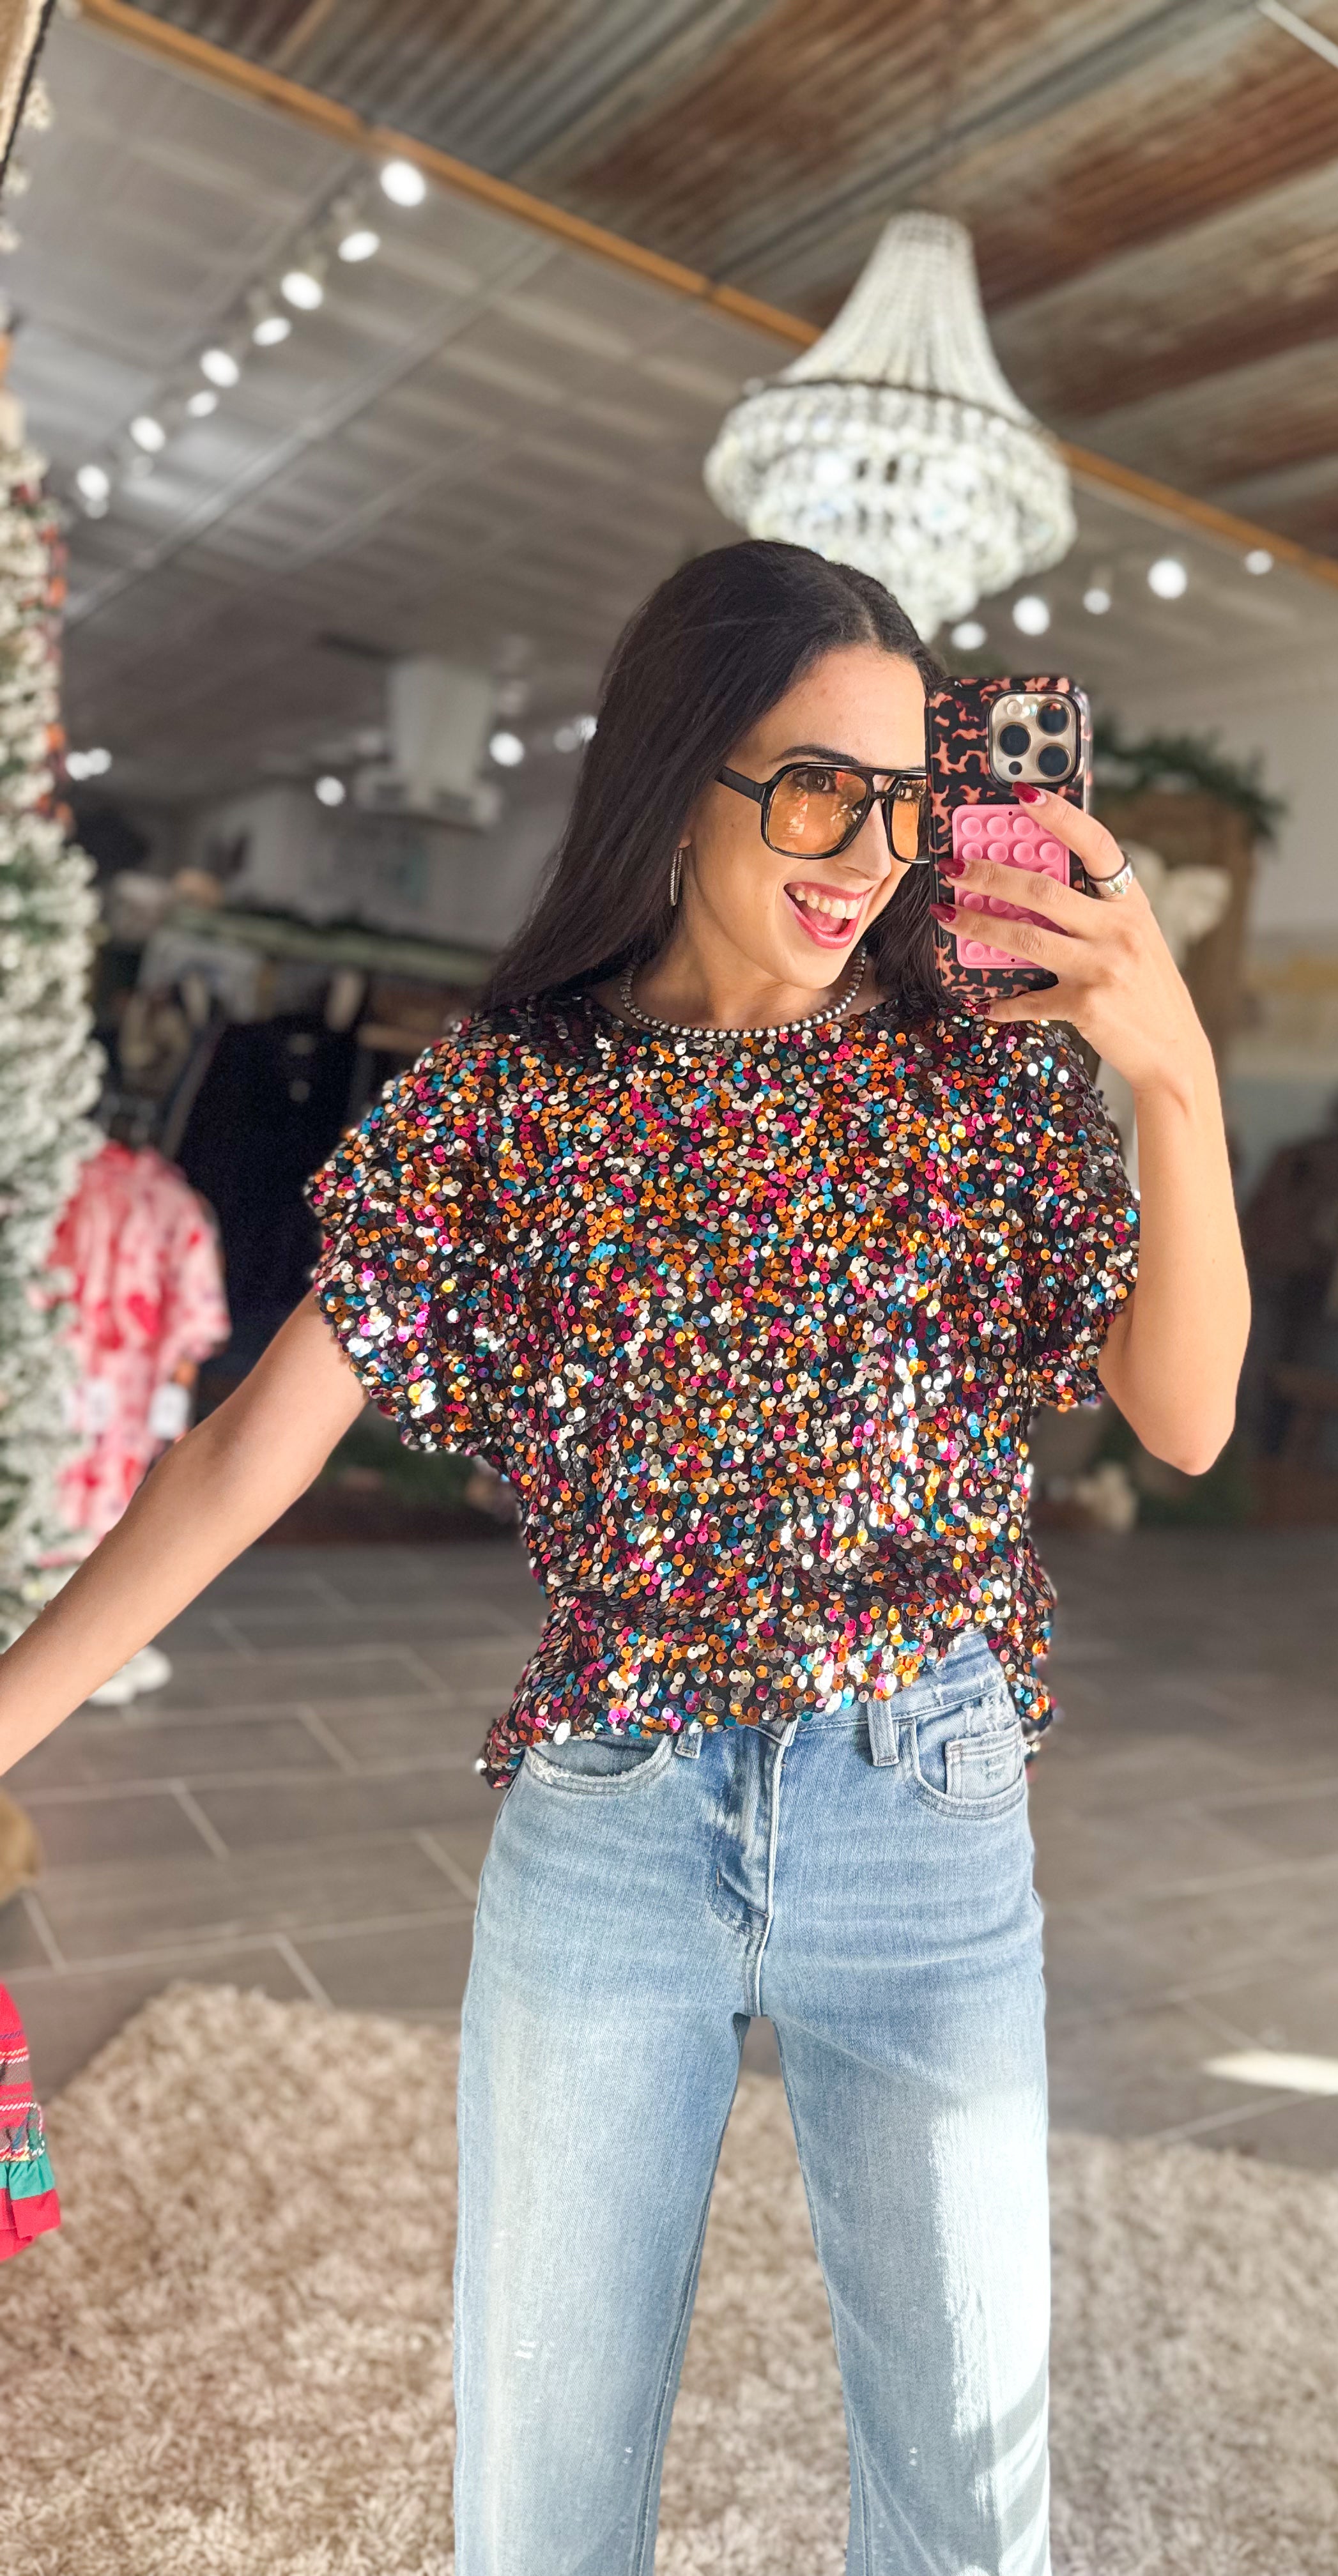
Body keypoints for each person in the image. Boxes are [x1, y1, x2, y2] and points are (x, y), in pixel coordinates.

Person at [0, 540, 1248, 2573]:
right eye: (818, 792)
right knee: (546, 2490)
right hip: (614, 1814)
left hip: (922, 1809)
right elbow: (240, 1460)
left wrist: (1170, 1073)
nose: (870, 856)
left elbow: (1183, 1417)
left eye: (905, 800)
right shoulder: (506, 1104)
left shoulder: (986, 1079)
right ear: (681, 773)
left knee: (967, 2496)